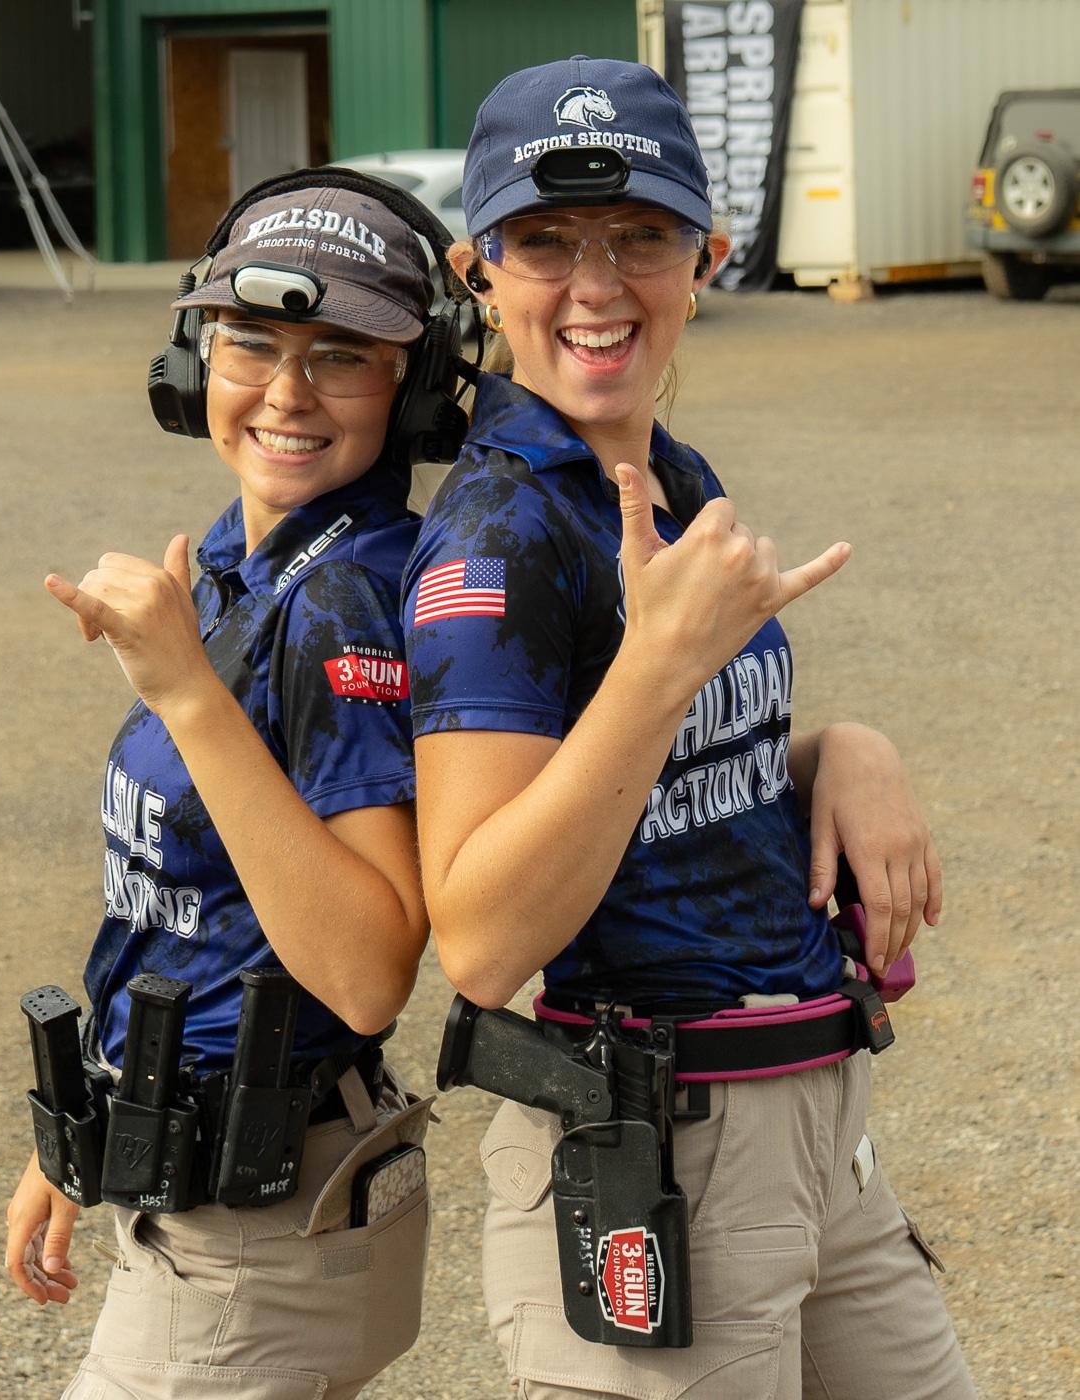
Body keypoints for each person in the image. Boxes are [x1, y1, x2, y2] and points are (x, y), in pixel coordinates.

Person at [402, 57, 975, 1400]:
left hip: (806, 1126)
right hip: (655, 1140)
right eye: (544, 241)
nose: (596, 285)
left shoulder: (656, 468)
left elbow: (669, 785)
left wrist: (841, 750)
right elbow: (482, 936)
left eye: (640, 237)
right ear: (476, 267)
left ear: (706, 256)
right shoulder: (498, 544)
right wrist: (655, 665)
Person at [5, 174, 454, 1399]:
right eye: (250, 342)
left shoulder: (342, 599)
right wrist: (93, 1122)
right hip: (211, 1177)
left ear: (412, 390)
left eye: (340, 355)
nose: (285, 391)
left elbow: (368, 966)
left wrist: (187, 696)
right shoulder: (238, 557)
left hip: (249, 1230)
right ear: (192, 357)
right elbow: (194, 900)